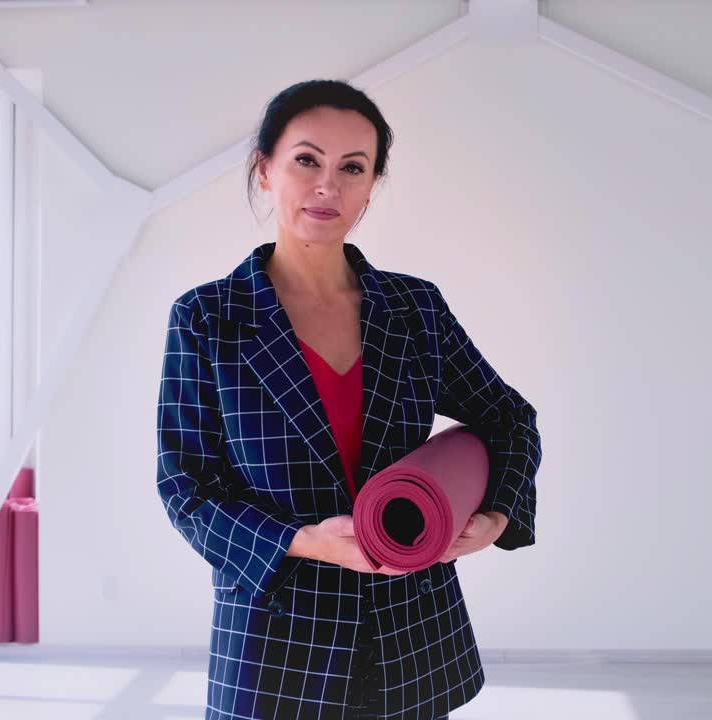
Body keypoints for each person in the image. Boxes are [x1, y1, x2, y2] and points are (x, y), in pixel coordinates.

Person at [156, 79, 542, 720]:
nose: (327, 186)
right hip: (277, 637)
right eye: (307, 160)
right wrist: (306, 541)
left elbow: (508, 419)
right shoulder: (208, 317)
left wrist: (496, 517)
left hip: (412, 632)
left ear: (371, 187)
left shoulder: (414, 309)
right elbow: (186, 489)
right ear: (265, 171)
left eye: (352, 168)